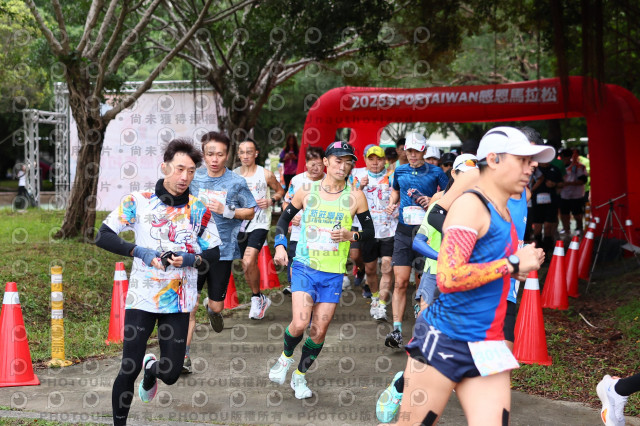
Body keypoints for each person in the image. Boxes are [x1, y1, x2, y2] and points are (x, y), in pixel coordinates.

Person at [394, 126, 550, 425]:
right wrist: (512, 264)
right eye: (522, 160)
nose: (531, 167)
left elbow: (491, 265)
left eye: (532, 161)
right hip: (445, 339)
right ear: (492, 160)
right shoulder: (470, 205)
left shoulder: (505, 210)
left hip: (488, 343)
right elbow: (449, 277)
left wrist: (516, 268)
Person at [95, 138, 222, 425]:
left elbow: (214, 252)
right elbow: (103, 235)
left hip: (178, 301)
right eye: (179, 169)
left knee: (172, 373)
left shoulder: (199, 209)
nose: (184, 177)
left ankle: (152, 370)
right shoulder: (138, 201)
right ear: (164, 167)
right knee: (129, 368)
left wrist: (190, 259)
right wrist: (139, 251)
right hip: (142, 298)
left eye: (191, 171)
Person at [376, 153, 478, 424]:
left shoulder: (483, 205)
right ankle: (402, 385)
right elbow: (419, 241)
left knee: (456, 338)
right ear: (454, 174)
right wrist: (441, 256)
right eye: (465, 172)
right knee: (425, 333)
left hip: (467, 280)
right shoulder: (440, 202)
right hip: (435, 275)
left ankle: (416, 381)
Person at [269, 141, 373, 399]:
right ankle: (285, 358)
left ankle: (300, 375)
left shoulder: (356, 196)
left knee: (318, 331)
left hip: (333, 273)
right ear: (326, 162)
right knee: (300, 322)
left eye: (348, 162)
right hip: (304, 266)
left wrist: (351, 235)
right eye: (338, 160)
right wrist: (280, 245)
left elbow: (370, 233)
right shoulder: (306, 191)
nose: (343, 166)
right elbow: (283, 220)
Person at [185, 131, 256, 373]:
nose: (214, 159)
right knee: (189, 306)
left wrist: (228, 211)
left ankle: (212, 308)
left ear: (227, 155)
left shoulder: (236, 182)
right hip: (194, 251)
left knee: (217, 306)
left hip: (223, 251)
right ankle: (183, 356)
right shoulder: (193, 176)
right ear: (203, 154)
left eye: (220, 154)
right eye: (210, 154)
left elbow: (251, 211)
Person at [383, 132, 448, 348]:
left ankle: (422, 326)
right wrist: (392, 203)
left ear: (424, 151)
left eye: (416, 151)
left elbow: (449, 195)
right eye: (408, 150)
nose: (412, 155)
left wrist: (433, 199)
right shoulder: (399, 170)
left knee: (423, 283)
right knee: (400, 282)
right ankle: (397, 331)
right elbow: (396, 191)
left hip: (426, 233)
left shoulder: (436, 172)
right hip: (403, 231)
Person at [234, 138, 285, 319]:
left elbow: (280, 191)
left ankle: (256, 298)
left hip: (260, 222)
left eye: (249, 152)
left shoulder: (266, 174)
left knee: (249, 261)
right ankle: (259, 296)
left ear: (256, 153)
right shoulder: (233, 175)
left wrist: (271, 200)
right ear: (238, 154)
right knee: (246, 264)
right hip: (240, 224)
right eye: (242, 152)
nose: (245, 156)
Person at [352, 144, 398, 320]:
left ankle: (382, 305)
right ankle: (375, 297)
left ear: (384, 160)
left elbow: (400, 196)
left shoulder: (393, 176)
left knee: (387, 267)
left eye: (379, 159)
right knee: (370, 270)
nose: (375, 162)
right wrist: (360, 188)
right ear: (365, 160)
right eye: (371, 159)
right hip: (368, 230)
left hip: (388, 229)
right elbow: (349, 201)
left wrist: (396, 208)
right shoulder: (357, 177)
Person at [281, 146, 326, 295]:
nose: (315, 168)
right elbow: (286, 203)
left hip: (322, 235)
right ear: (306, 163)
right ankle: (296, 288)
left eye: (319, 164)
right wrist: (292, 217)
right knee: (295, 260)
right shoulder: (296, 180)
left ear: (325, 163)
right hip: (298, 232)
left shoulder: (330, 181)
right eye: (312, 164)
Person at [559, 148, 588, 235]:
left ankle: (579, 228)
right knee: (564, 214)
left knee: (577, 214)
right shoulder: (559, 167)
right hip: (564, 195)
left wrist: (568, 183)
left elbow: (583, 181)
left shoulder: (578, 167)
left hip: (576, 195)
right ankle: (566, 229)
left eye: (563, 157)